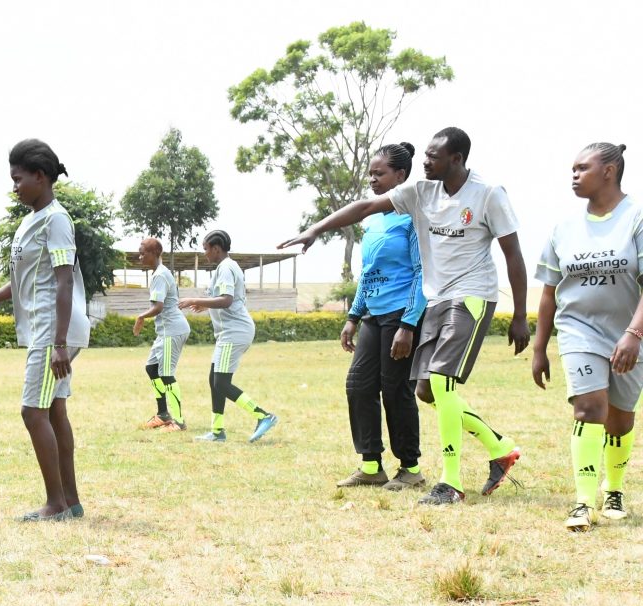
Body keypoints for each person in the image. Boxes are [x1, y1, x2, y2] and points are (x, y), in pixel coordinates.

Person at [280, 127, 527, 506]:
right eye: (425, 155)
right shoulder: (420, 193)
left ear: (457, 159)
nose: (425, 162)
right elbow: (363, 207)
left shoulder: (488, 194)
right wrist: (315, 229)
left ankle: (451, 482)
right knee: (426, 390)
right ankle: (500, 446)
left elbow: (513, 253)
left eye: (433, 157)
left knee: (440, 384)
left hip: (473, 296)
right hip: (437, 299)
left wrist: (520, 315)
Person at [0, 139, 90, 521]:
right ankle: (71, 501)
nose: (14, 186)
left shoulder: (56, 219)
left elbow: (63, 281)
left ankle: (55, 504)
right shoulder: (29, 221)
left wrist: (59, 343)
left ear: (40, 176)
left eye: (18, 179)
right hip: (46, 329)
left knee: (33, 412)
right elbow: (25, 278)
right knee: (54, 412)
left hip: (53, 330)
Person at [533, 142, 639, 532]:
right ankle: (582, 502)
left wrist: (633, 334)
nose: (573, 176)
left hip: (631, 333)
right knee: (590, 407)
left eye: (582, 168)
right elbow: (548, 292)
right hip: (578, 329)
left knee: (620, 419)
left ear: (609, 171)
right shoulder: (564, 228)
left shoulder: (637, 218)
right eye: (572, 169)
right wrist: (539, 348)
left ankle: (614, 490)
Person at [336, 143, 427, 491]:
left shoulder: (414, 216)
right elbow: (367, 272)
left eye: (380, 173)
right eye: (371, 173)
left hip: (401, 315)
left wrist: (408, 323)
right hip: (373, 314)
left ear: (400, 176)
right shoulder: (372, 219)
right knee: (358, 386)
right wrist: (353, 315)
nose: (372, 179)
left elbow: (422, 272)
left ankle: (411, 469)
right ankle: (371, 465)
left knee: (395, 391)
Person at [178, 230, 278, 443]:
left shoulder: (225, 268)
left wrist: (195, 300)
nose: (205, 254)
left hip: (235, 332)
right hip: (229, 332)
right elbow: (223, 299)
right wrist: (204, 305)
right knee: (215, 380)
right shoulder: (225, 268)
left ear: (216, 248)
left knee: (221, 383)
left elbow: (226, 300)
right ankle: (217, 432)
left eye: (206, 249)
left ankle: (263, 415)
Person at [132, 237, 190, 431]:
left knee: (166, 375)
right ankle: (163, 414)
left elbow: (158, 307)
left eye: (143, 253)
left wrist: (141, 317)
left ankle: (179, 421)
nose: (140, 257)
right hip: (165, 332)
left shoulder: (160, 275)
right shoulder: (159, 273)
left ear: (155, 253)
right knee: (152, 369)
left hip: (172, 331)